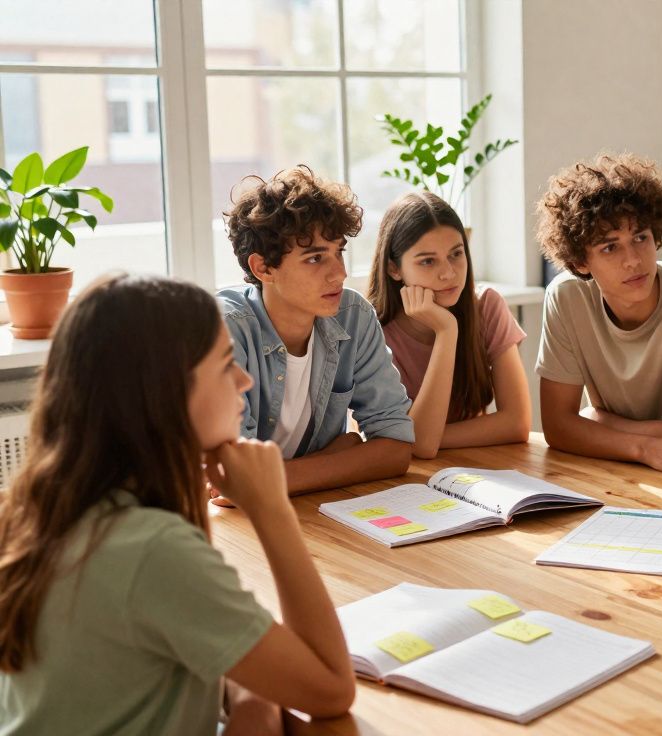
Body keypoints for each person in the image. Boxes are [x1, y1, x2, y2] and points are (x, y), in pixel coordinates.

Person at [0, 275, 355, 734]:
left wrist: (253, 695)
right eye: (226, 363)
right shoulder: (149, 549)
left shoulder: (44, 510)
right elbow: (331, 689)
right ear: (165, 393)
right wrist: (272, 510)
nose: (244, 380)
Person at [535, 153, 662, 474]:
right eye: (610, 247)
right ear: (580, 263)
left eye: (640, 237)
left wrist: (598, 422)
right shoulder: (567, 297)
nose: (633, 260)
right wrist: (644, 448)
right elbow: (558, 429)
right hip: (614, 465)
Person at [218, 166, 414, 496]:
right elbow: (231, 481)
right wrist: (340, 452)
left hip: (315, 509)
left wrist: (269, 481)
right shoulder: (225, 330)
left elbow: (396, 448)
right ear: (263, 268)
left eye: (338, 252)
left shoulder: (353, 316)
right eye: (314, 258)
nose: (339, 273)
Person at [369, 191, 530, 458]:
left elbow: (517, 423)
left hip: (476, 470)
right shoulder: (373, 333)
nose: (449, 273)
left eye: (456, 254)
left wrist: (423, 436)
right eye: (427, 261)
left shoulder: (487, 307)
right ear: (393, 269)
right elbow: (422, 446)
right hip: (403, 482)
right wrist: (446, 331)